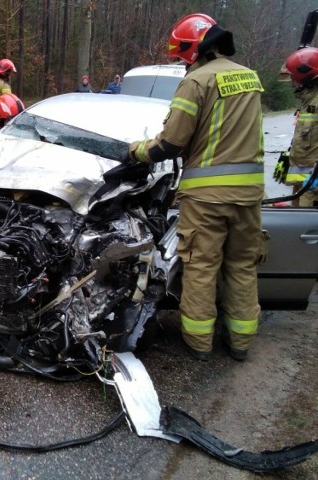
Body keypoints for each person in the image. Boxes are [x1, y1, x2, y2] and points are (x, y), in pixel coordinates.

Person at [127, 13, 265, 361]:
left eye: (180, 55)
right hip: (248, 195)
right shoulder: (249, 77)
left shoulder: (196, 81)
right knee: (242, 266)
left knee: (202, 267)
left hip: (207, 197)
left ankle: (199, 343)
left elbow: (171, 144)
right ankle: (241, 342)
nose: (180, 61)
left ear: (193, 48)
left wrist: (136, 151)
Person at [279, 47, 318, 207]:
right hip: (303, 186)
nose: (292, 83)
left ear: (306, 78)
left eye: (294, 78)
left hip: (313, 188)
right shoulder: (309, 102)